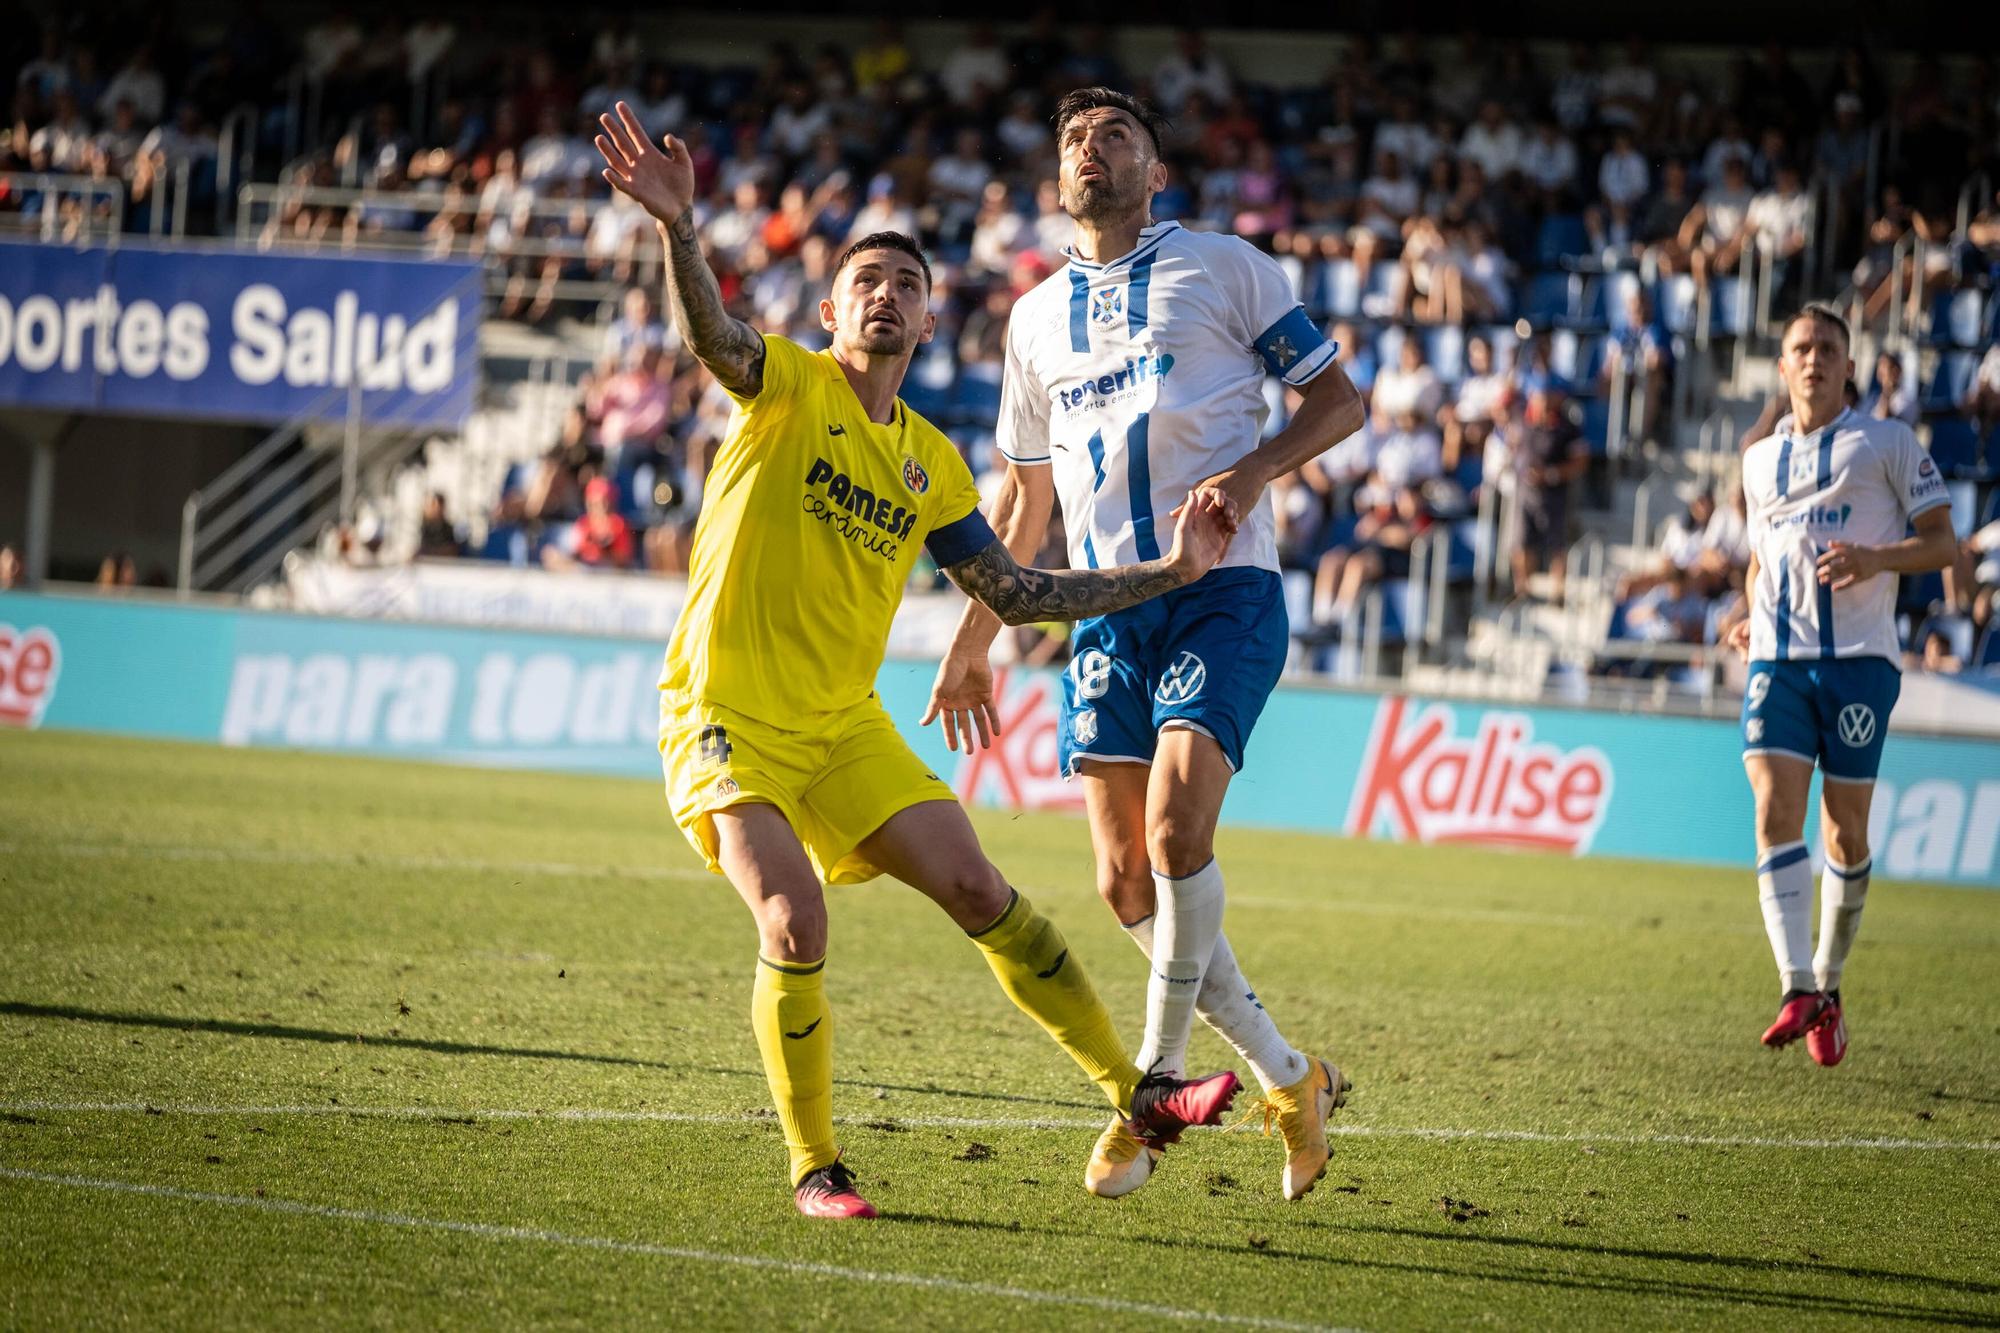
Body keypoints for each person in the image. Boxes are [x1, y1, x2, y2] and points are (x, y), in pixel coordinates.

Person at [592, 102, 1244, 1221]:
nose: (885, 293)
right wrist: (678, 232)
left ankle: (1138, 1093)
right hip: (725, 714)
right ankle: (814, 1166)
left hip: (842, 726)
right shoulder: (785, 383)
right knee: (794, 921)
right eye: (865, 282)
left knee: (981, 887)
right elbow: (713, 339)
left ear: (930, 316)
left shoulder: (931, 464)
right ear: (832, 307)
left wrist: (1172, 574)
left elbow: (1018, 592)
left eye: (905, 282)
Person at [924, 87, 1365, 1203]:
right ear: (1054, 181)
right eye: (1073, 136)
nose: (1090, 147)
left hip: (1224, 592)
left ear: (1154, 171)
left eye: (1115, 134)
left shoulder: (1224, 266)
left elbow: (1338, 402)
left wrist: (1255, 470)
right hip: (1104, 606)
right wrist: (973, 637)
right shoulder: (1030, 321)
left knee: (1175, 831)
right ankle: (1288, 1076)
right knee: (1124, 881)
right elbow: (1024, 512)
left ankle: (1152, 1086)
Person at [1726, 304, 1956, 1068]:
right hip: (1779, 661)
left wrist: (1875, 559)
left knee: (1843, 832)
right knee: (1771, 806)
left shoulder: (1886, 442)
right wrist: (1745, 610)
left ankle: (1827, 981)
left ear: (1849, 365)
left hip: (1859, 659)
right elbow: (1763, 555)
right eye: (1801, 347)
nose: (1814, 358)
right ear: (1783, 366)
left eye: (1828, 347)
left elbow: (1944, 544)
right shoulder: (1758, 460)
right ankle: (1797, 986)